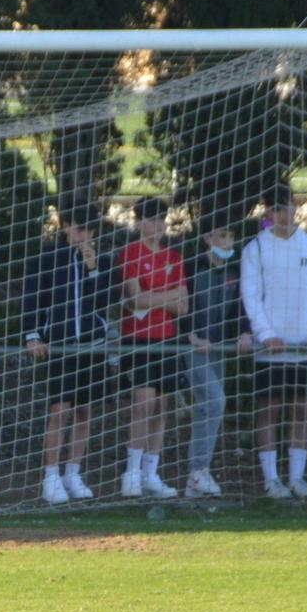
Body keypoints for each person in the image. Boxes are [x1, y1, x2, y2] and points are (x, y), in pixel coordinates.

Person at [240, 186, 307, 499]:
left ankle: (297, 479)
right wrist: (265, 333)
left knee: (300, 410)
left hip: (304, 347)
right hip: (271, 348)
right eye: (275, 209)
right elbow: (251, 296)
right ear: (267, 213)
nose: (283, 214)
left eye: (287, 207)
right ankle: (271, 480)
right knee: (269, 410)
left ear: (297, 208)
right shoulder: (255, 248)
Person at [22, 208, 116, 505]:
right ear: (65, 227)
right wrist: (33, 335)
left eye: (89, 230)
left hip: (92, 344)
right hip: (61, 345)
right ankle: (51, 476)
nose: (84, 236)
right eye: (78, 229)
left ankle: (72, 473)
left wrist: (93, 270)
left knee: (84, 411)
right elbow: (32, 299)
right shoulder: (47, 259)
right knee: (59, 409)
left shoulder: (101, 261)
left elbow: (104, 302)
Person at [117, 197, 187, 499]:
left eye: (162, 220)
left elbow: (183, 306)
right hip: (138, 338)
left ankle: (151, 472)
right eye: (151, 219)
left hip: (167, 339)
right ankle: (131, 472)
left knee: (161, 405)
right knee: (143, 402)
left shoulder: (174, 257)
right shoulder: (131, 253)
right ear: (139, 222)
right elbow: (135, 299)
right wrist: (167, 296)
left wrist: (154, 296)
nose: (157, 225)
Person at [183, 212, 252, 498]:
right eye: (223, 235)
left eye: (231, 236)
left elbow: (239, 308)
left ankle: (195, 478)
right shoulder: (191, 269)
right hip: (192, 348)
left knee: (206, 408)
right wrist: (190, 334)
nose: (228, 241)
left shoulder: (234, 271)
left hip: (218, 348)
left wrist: (244, 332)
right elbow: (181, 304)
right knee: (215, 401)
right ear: (207, 238)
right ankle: (198, 469)